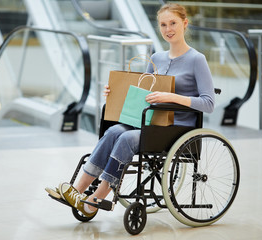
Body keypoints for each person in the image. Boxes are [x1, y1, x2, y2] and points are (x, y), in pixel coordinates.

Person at [46, 3, 215, 218]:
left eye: (173, 23)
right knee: (114, 131)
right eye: (163, 25)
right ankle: (76, 190)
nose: (168, 29)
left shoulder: (196, 60)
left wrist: (170, 97)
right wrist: (114, 92)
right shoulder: (156, 58)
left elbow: (208, 103)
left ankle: (97, 197)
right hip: (151, 122)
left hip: (178, 128)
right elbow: (143, 93)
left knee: (126, 138)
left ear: (184, 23)